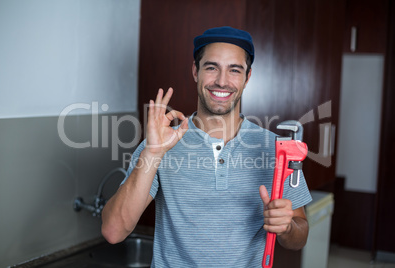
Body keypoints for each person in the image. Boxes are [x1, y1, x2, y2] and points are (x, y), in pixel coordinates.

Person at [101, 26, 312, 267]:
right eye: (211, 67)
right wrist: (153, 152)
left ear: (248, 77)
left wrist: (286, 228)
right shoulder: (161, 143)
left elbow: (300, 234)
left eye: (234, 70)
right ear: (195, 71)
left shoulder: (276, 148)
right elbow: (113, 231)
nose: (222, 81)